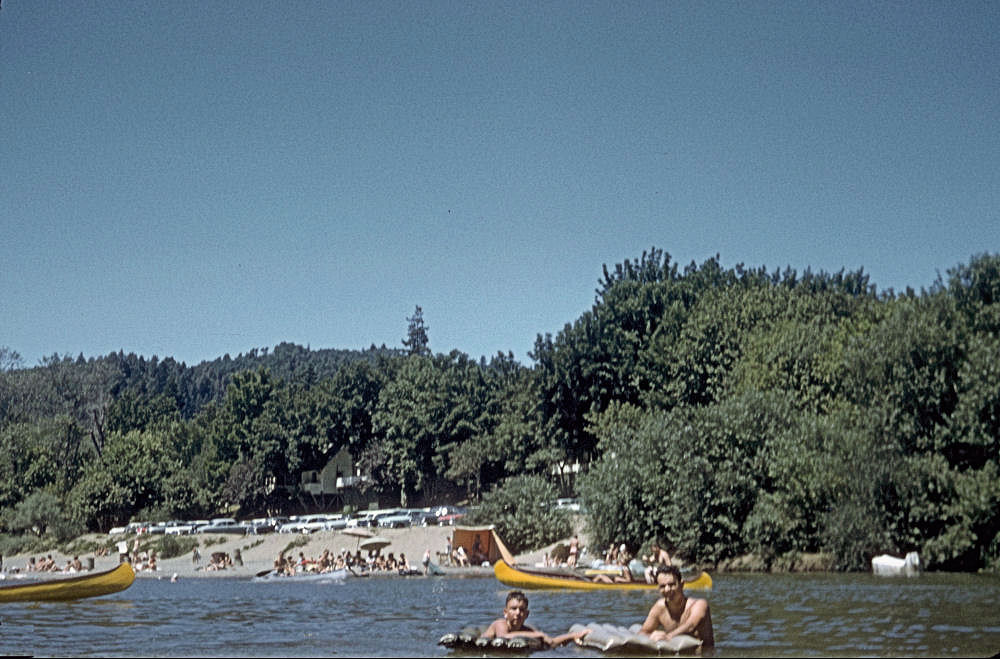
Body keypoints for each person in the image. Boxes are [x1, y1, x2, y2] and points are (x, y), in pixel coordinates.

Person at [481, 590, 590, 648]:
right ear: (505, 612)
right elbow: (503, 637)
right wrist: (537, 635)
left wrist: (573, 636)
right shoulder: (499, 624)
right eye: (513, 609)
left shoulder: (527, 630)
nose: (518, 613)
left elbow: (551, 642)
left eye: (522, 610)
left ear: (527, 614)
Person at [639, 565, 714, 647]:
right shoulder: (659, 608)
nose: (667, 589)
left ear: (682, 584)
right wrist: (652, 636)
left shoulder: (699, 605)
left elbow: (690, 626)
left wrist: (667, 637)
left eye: (671, 585)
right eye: (662, 586)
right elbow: (642, 633)